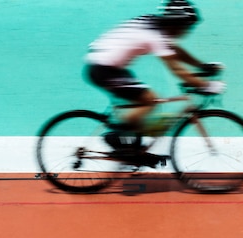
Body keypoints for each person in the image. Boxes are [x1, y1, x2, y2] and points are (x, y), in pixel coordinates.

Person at [84, 0, 225, 159]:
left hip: (107, 66)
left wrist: (202, 66)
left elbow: (174, 51)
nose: (187, 32)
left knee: (146, 101)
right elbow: (177, 69)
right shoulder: (154, 35)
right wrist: (207, 85)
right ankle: (116, 137)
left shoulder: (155, 25)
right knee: (150, 100)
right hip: (104, 69)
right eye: (186, 27)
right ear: (176, 23)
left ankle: (131, 146)